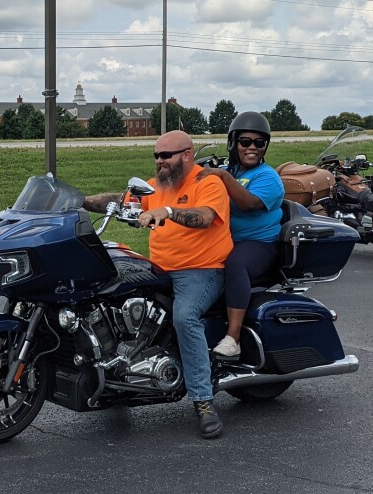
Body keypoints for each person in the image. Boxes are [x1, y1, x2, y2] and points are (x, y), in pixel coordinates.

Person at [84, 130, 232, 439]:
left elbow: (204, 217)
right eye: (156, 155)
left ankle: (203, 401)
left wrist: (167, 212)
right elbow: (119, 200)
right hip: (160, 266)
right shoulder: (157, 186)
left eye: (166, 155)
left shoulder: (208, 183)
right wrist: (80, 200)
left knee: (184, 316)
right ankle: (118, 375)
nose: (159, 161)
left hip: (201, 270)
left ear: (187, 155)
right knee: (109, 296)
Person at [197, 112, 284, 357]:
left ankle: (232, 338)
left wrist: (222, 176)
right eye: (245, 142)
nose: (252, 148)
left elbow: (248, 203)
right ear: (233, 143)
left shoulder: (267, 177)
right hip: (226, 239)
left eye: (259, 143)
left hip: (259, 243)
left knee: (235, 263)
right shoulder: (230, 171)